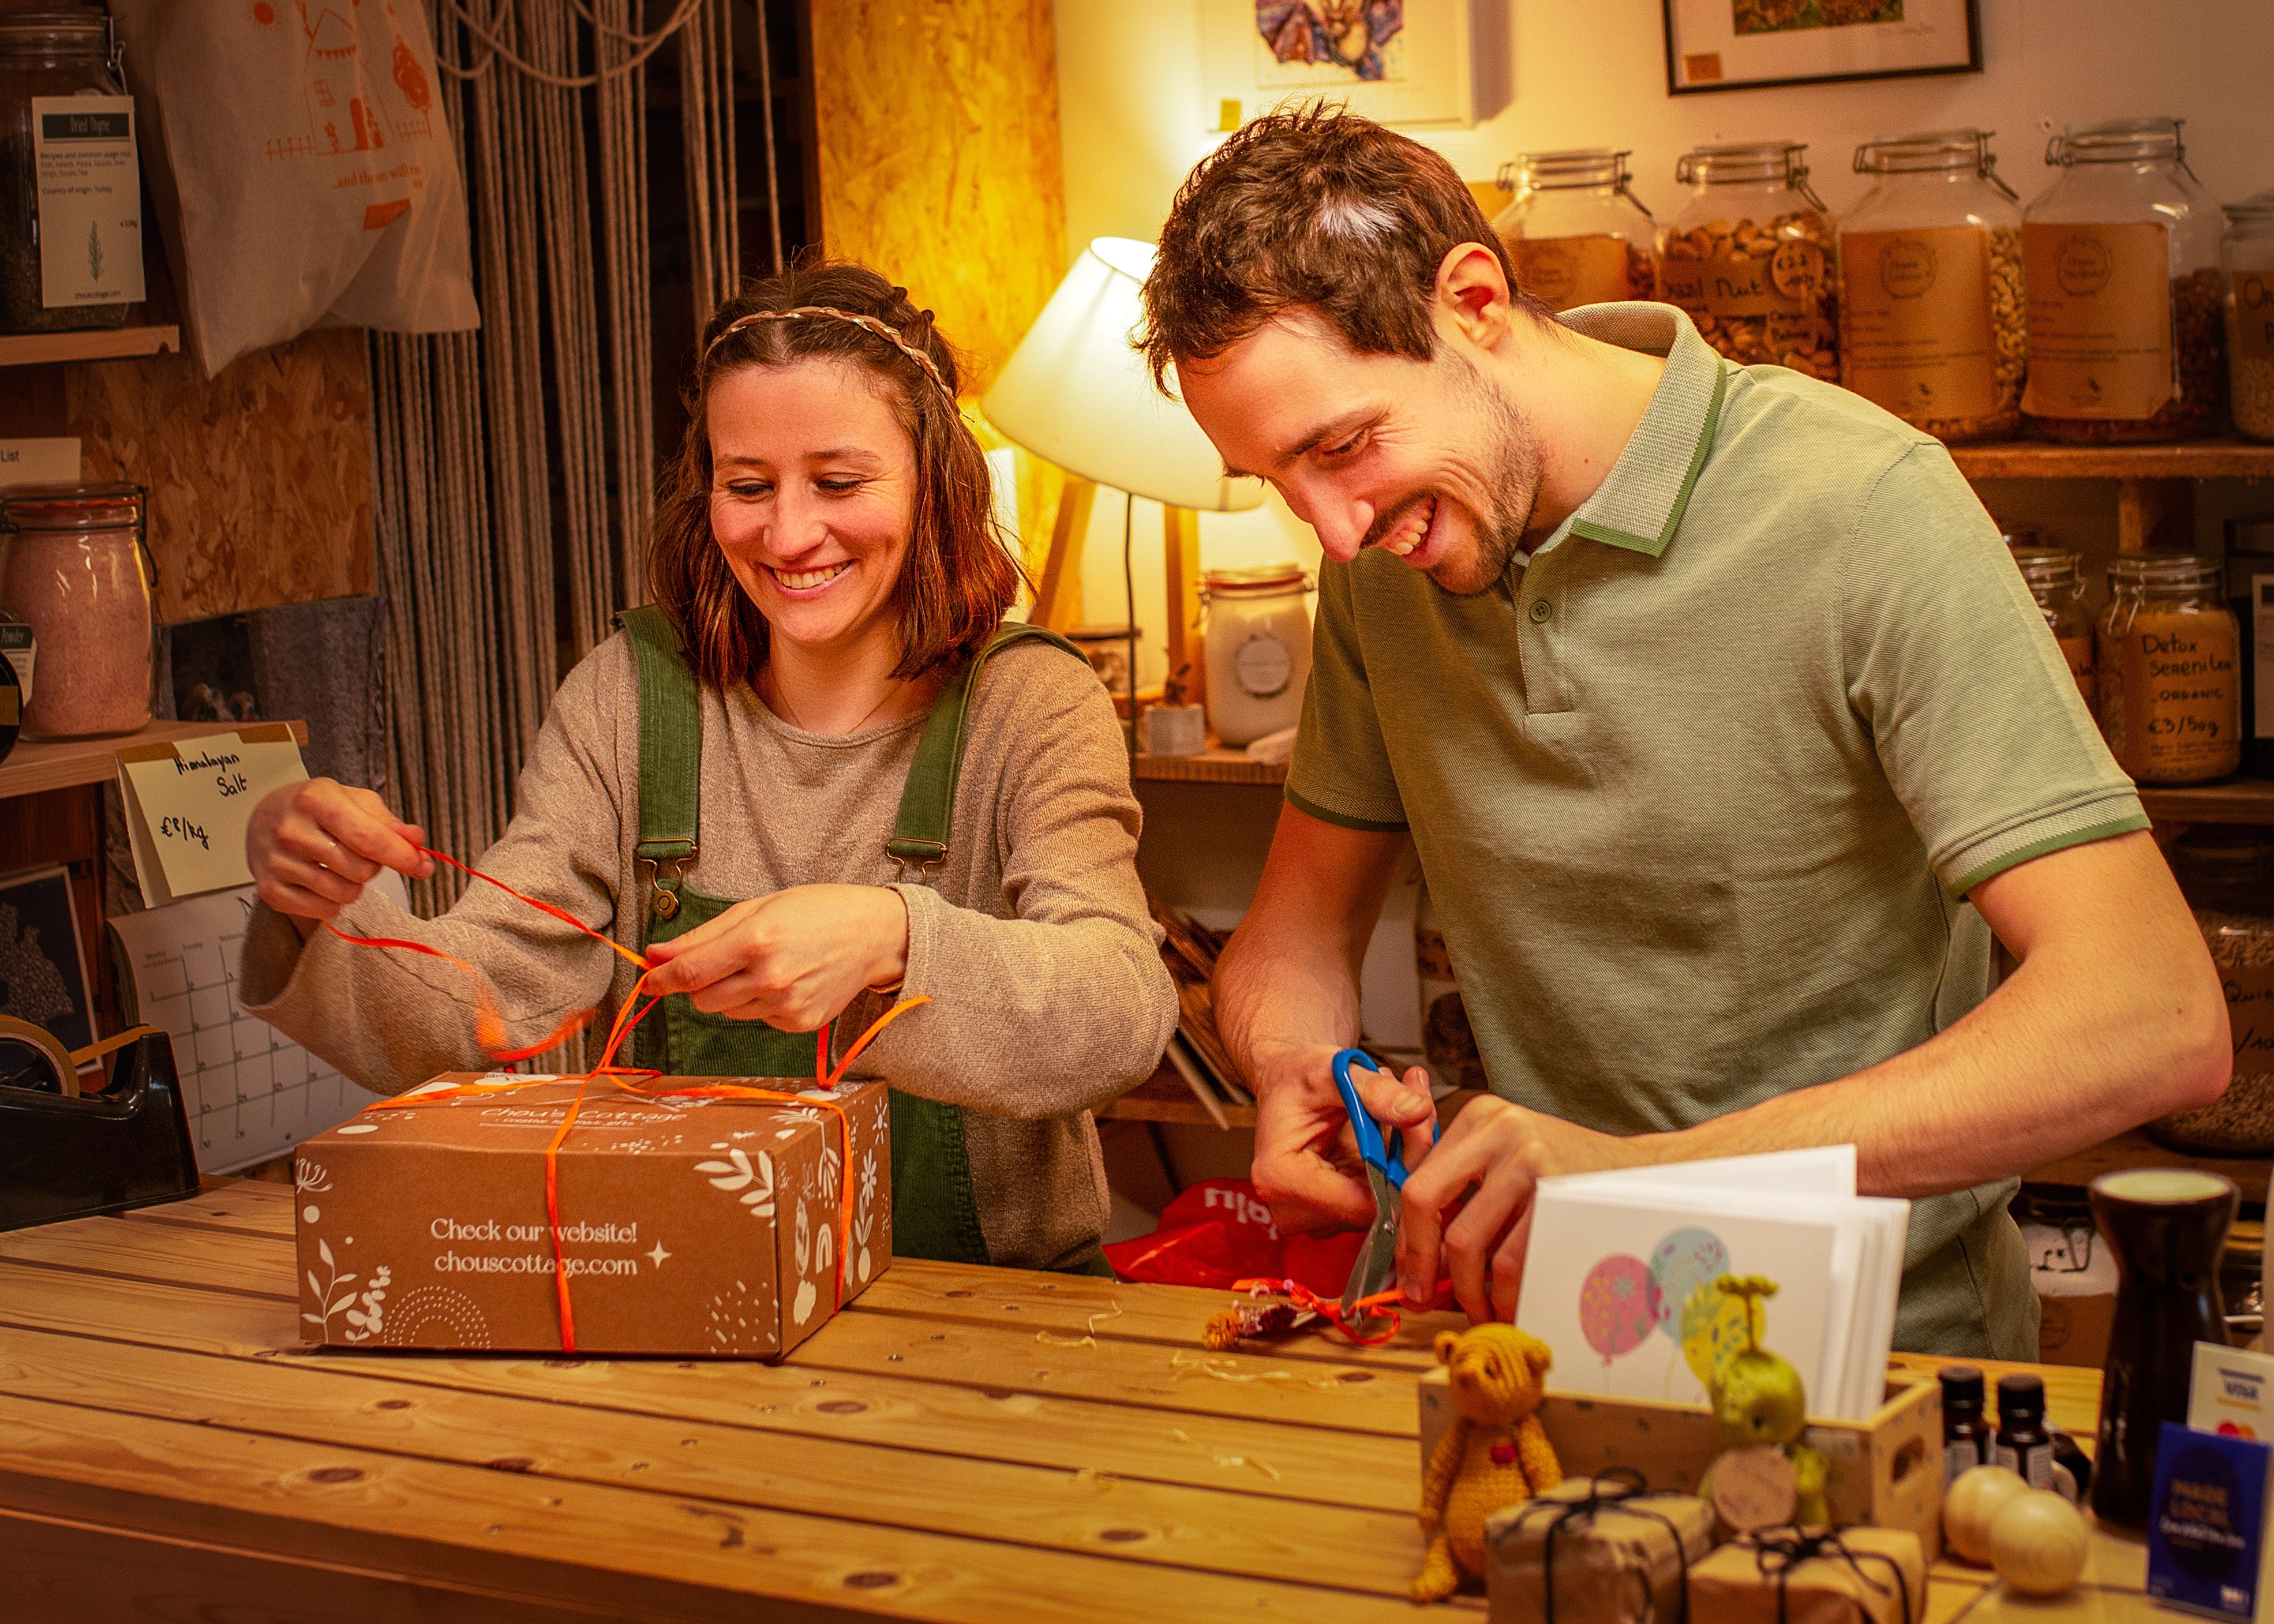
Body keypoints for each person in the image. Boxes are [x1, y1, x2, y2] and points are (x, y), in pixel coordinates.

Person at [1138, 106, 2228, 1355]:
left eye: (1345, 446)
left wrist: (1639, 1178)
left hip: (1878, 1346)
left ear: (1476, 301)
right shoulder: (1381, 566)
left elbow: (2156, 1016)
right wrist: (1293, 1065)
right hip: (1548, 1332)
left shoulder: (1866, 505)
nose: (1330, 531)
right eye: (1283, 481)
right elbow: (1293, 936)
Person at [242, 260, 1178, 1274]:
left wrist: (893, 940)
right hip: (692, 1295)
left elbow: (1119, 1013)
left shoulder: (1031, 705)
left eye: (839, 482)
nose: (787, 533)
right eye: (747, 486)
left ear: (936, 481)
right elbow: (475, 1011)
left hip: (991, 1322)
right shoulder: (628, 699)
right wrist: (316, 902)